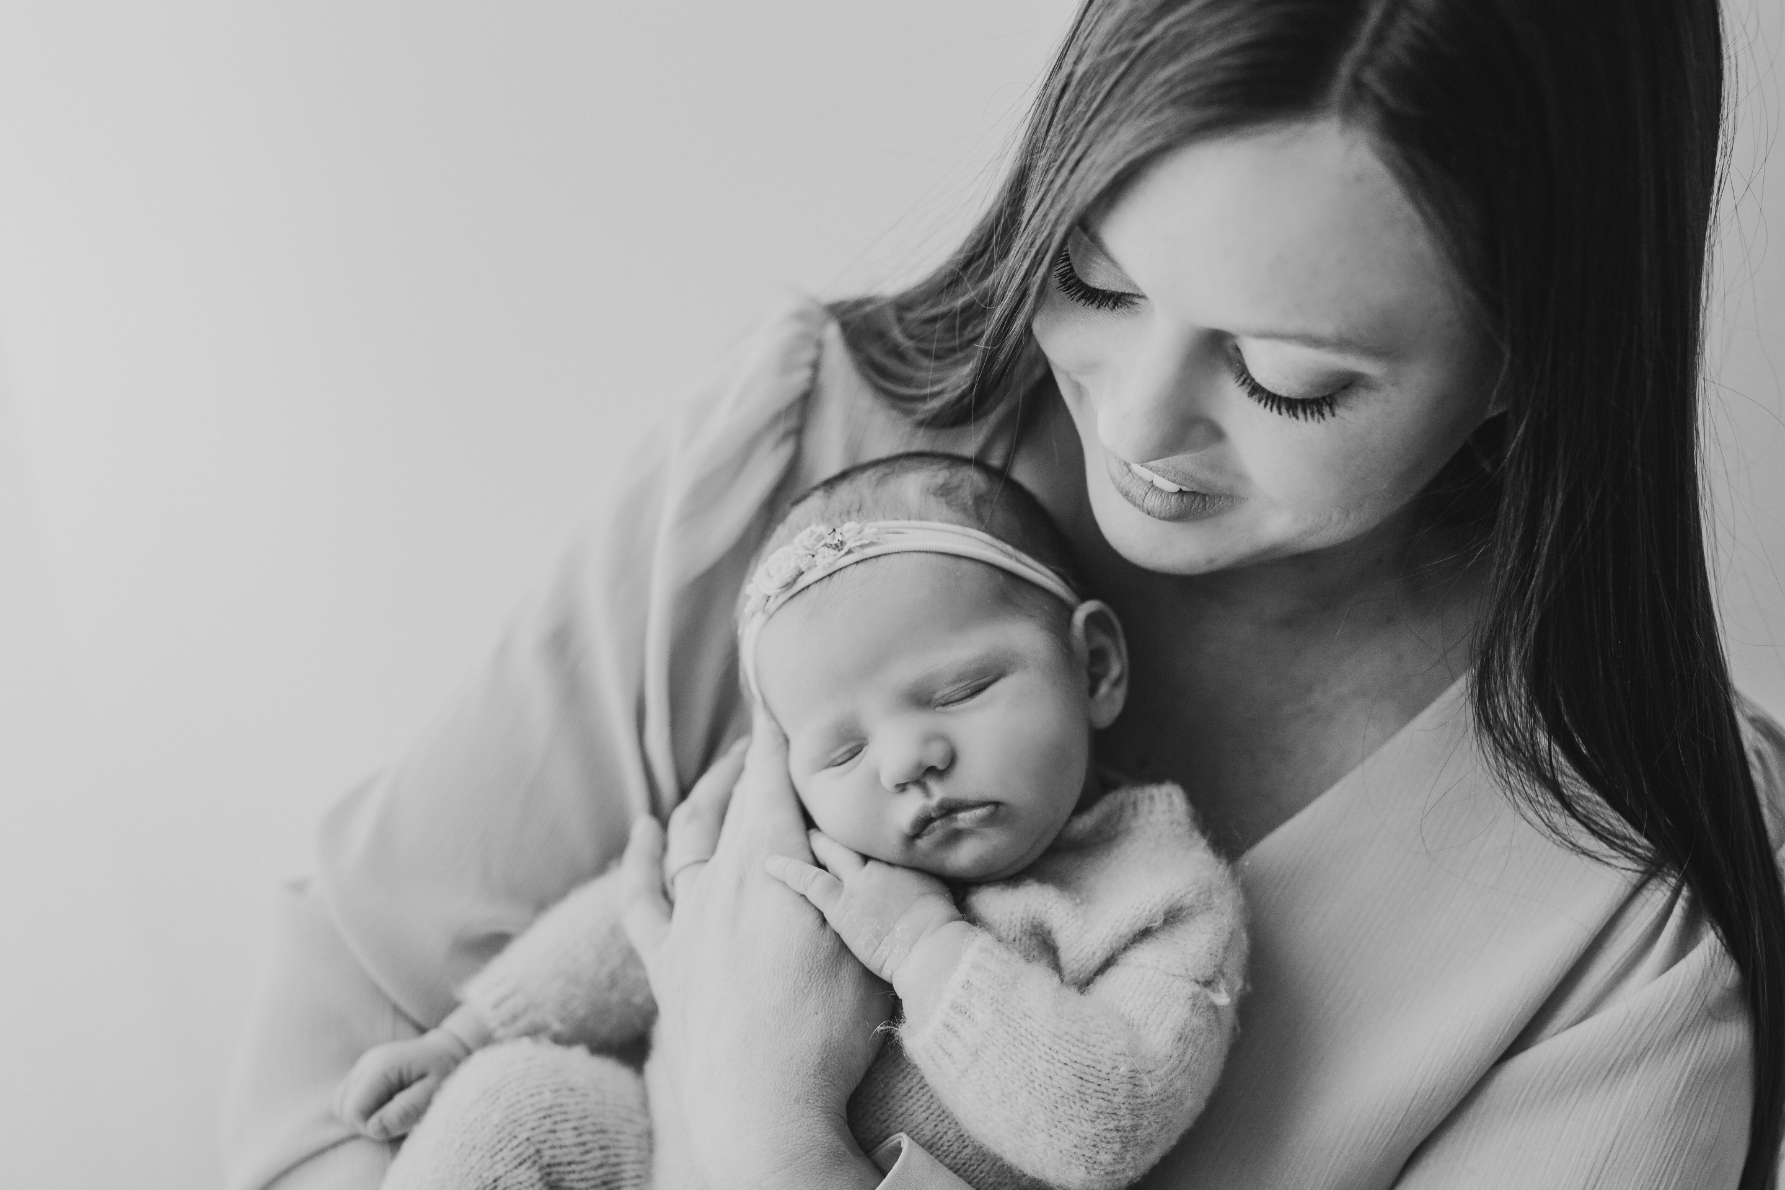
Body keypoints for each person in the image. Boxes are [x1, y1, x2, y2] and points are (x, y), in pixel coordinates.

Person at [221, 1, 1785, 1187]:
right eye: (1093, 278)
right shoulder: (803, 468)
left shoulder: (1633, 933)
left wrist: (760, 1127)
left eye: (1287, 378)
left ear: (1530, 363)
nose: (1137, 425)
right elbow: (348, 1044)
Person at [330, 454, 1247, 1190]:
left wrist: (927, 949)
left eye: (959, 691)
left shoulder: (1157, 892)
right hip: (653, 1156)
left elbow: (1109, 1124)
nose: (903, 762)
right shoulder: (812, 832)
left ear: (1092, 667)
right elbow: (634, 925)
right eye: (842, 751)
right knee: (509, 1100)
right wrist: (465, 1036)